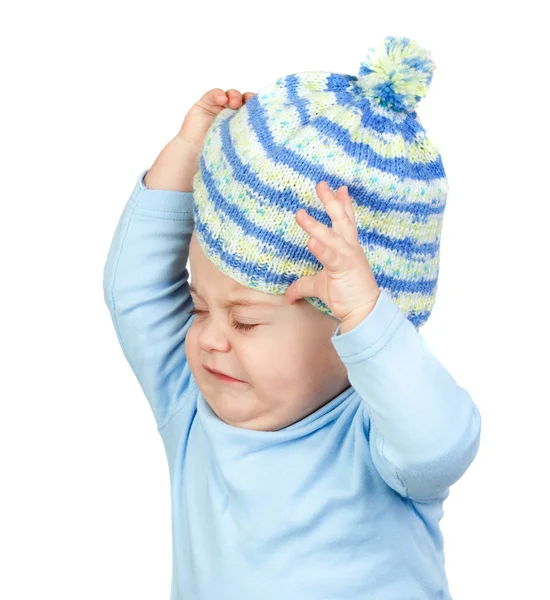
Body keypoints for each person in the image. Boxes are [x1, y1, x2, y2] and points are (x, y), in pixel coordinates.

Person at [103, 36, 482, 599]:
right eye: (201, 306)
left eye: (246, 322)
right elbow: (134, 292)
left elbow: (442, 443)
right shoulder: (194, 409)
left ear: (345, 333)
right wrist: (188, 153)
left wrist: (370, 318)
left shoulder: (377, 438)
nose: (208, 337)